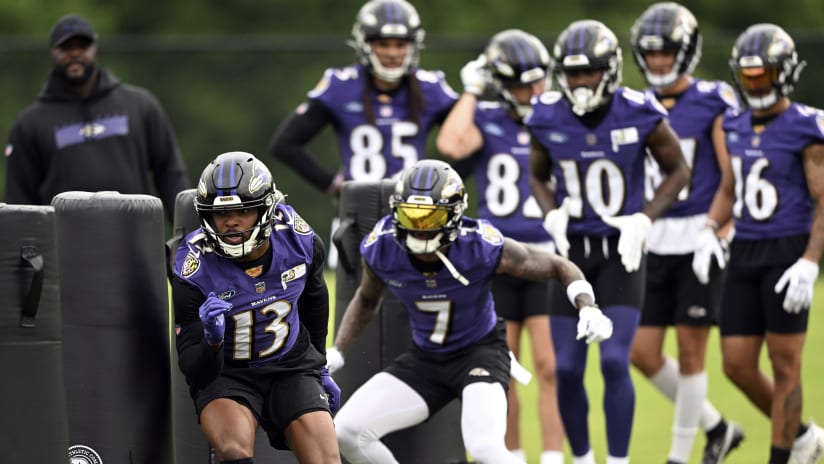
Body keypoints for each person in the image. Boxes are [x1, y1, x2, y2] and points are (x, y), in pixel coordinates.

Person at [323, 159, 613, 464]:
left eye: (428, 218)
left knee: (485, 447)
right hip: (425, 359)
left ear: (454, 216)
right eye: (410, 216)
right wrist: (339, 350)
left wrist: (587, 305)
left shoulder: (479, 246)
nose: (418, 229)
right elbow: (367, 300)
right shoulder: (383, 246)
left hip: (480, 353)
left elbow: (556, 264)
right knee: (346, 431)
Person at [526, 19, 690, 464]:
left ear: (610, 69)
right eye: (573, 72)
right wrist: (552, 212)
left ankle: (618, 461)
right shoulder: (546, 115)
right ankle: (582, 458)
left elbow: (679, 170)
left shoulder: (638, 110)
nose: (581, 81)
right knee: (565, 368)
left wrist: (644, 217)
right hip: (570, 256)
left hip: (622, 252)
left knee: (616, 361)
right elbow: (537, 175)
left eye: (590, 71)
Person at [693, 23, 824, 464]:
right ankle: (804, 436)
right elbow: (730, 188)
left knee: (785, 365)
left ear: (783, 74)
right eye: (747, 76)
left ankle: (783, 456)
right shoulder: (733, 123)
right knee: (735, 364)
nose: (754, 84)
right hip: (744, 249)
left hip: (786, 251)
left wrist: (809, 260)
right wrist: (710, 228)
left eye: (762, 75)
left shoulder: (807, 126)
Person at [435, 29, 565, 464]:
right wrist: (471, 90)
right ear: (500, 84)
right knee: (504, 370)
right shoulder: (488, 117)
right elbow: (450, 144)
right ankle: (512, 455)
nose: (532, 91)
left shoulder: (557, 116)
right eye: (521, 84)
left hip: (546, 253)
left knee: (550, 367)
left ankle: (551, 457)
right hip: (500, 257)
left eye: (537, 80)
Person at [627, 4, 745, 463]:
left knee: (692, 348)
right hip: (653, 236)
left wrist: (717, 229)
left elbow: (733, 175)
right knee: (642, 351)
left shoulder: (714, 100)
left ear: (688, 51)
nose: (657, 60)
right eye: (651, 53)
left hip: (699, 236)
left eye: (667, 51)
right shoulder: (636, 104)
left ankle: (680, 457)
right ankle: (717, 427)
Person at [171, 151, 341, 463]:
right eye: (219, 214)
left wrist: (319, 366)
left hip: (291, 365)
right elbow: (192, 368)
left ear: (266, 209)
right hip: (229, 373)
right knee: (234, 451)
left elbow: (314, 302)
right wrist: (211, 341)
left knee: (326, 459)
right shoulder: (192, 266)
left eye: (242, 210)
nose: (230, 222)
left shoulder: (298, 240)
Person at [267, 0, 457, 267]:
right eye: (384, 44)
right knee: (352, 301)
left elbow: (468, 142)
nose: (392, 53)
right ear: (365, 45)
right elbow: (285, 144)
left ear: (413, 45)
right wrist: (333, 185)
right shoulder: (341, 85)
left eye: (400, 44)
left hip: (417, 212)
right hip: (358, 213)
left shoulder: (431, 87)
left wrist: (444, 186)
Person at [3, 14, 189, 222]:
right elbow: (20, 201)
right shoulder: (29, 124)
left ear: (95, 48)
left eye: (82, 46)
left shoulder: (140, 105)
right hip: (65, 248)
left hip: (136, 243)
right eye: (66, 47)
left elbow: (170, 173)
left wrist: (187, 236)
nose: (74, 53)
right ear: (52, 52)